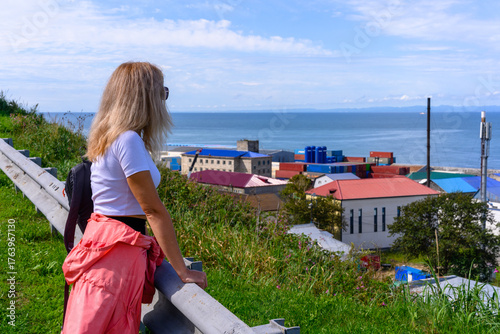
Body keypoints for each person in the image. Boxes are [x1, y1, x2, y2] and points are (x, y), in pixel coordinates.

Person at [62, 62, 207, 333]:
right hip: (118, 254)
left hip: (107, 245)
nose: (164, 99)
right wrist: (182, 271)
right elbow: (153, 210)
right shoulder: (128, 140)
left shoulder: (108, 136)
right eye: (162, 92)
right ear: (145, 97)